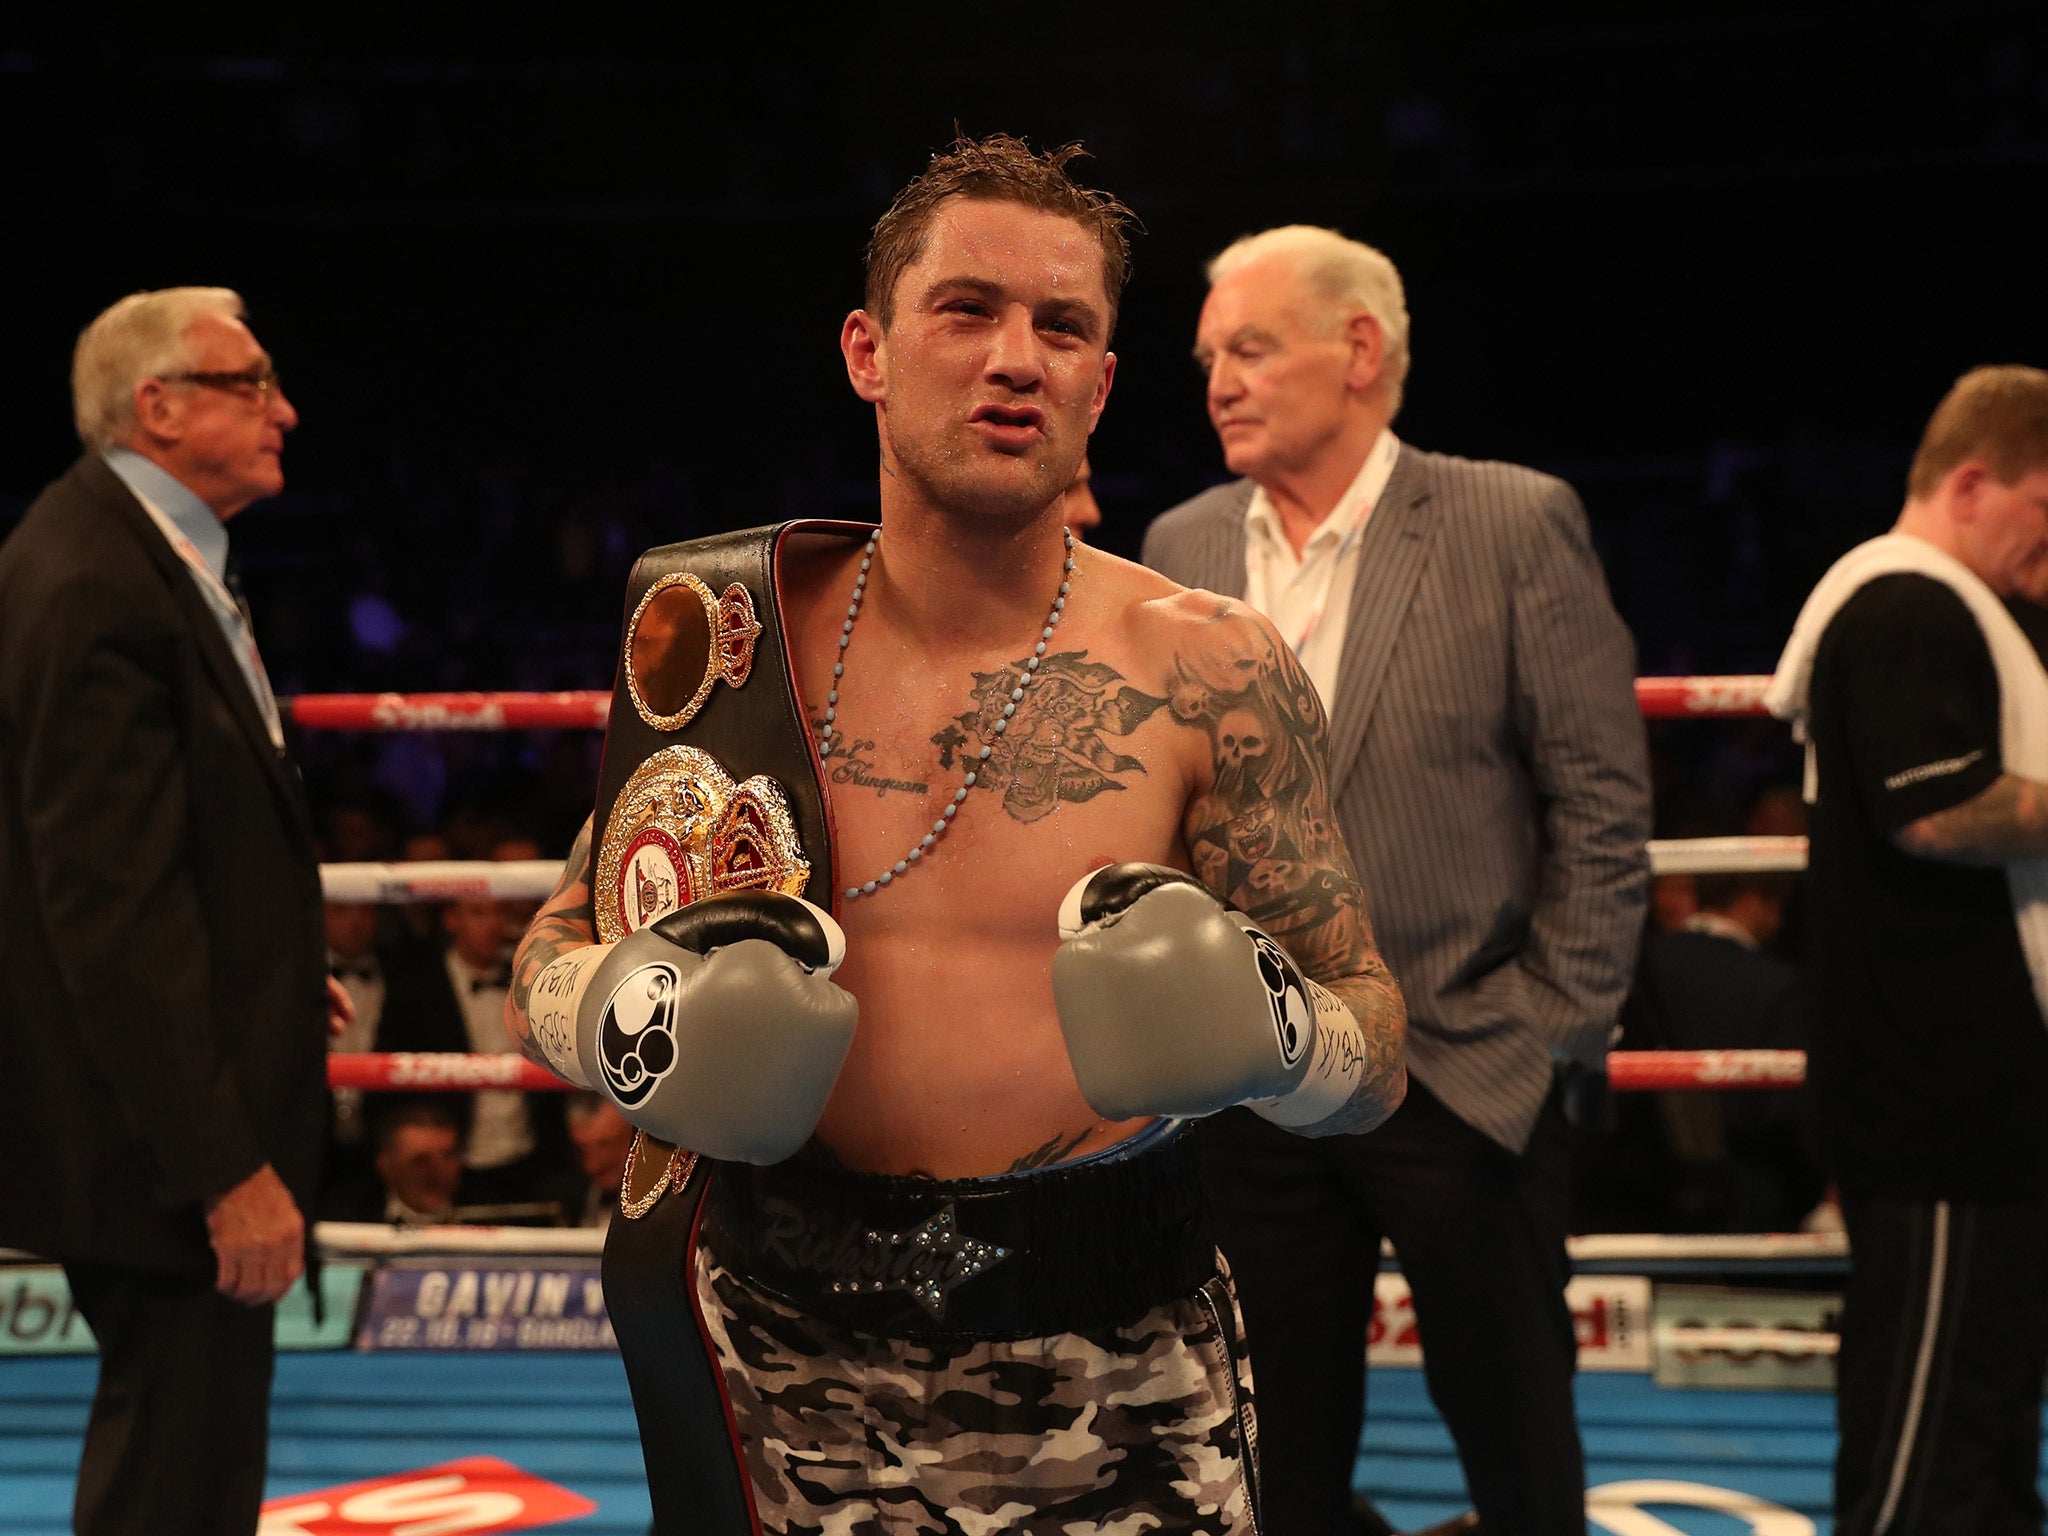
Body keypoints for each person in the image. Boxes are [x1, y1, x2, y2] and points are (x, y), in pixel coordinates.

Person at [504, 136, 1407, 1533]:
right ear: (867, 351)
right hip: (776, 1348)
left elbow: (1375, 1049)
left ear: (1102, 383)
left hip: (1121, 1358)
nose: (1016, 359)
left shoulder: (1209, 669)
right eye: (967, 310)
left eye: (1064, 327)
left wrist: (1280, 1034)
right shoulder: (734, 644)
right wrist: (635, 1018)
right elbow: (553, 955)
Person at [1143, 224, 1651, 1536]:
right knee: (1272, 1456)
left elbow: (1600, 801)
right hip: (1252, 1079)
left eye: (1251, 350)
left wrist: (1549, 1030)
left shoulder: (1509, 520)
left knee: (1517, 1442)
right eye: (1209, 359)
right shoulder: (1181, 543)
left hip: (1463, 1063)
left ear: (1358, 350)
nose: (1219, 383)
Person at [0, 287, 339, 1535]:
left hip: (166, 1114)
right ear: (159, 408)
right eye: (252, 384)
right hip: (160, 1151)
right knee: (176, 1475)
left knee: (190, 1456)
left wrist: (277, 970)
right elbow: (109, 909)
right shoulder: (95, 579)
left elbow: (163, 849)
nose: (283, 411)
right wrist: (222, 1170)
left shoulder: (136, 552)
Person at [1765, 364, 2048, 1536]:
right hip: (1938, 1107)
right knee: (1922, 1462)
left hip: (1973, 1103)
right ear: (1971, 485)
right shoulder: (1904, 607)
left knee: (1981, 1442)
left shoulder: (1950, 606)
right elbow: (1931, 809)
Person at [379, 895, 566, 1205]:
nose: (493, 924)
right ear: (451, 920)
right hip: (451, 1165)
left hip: (533, 1160)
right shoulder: (415, 991)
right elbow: (391, 1083)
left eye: (500, 912)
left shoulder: (534, 980)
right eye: (479, 912)